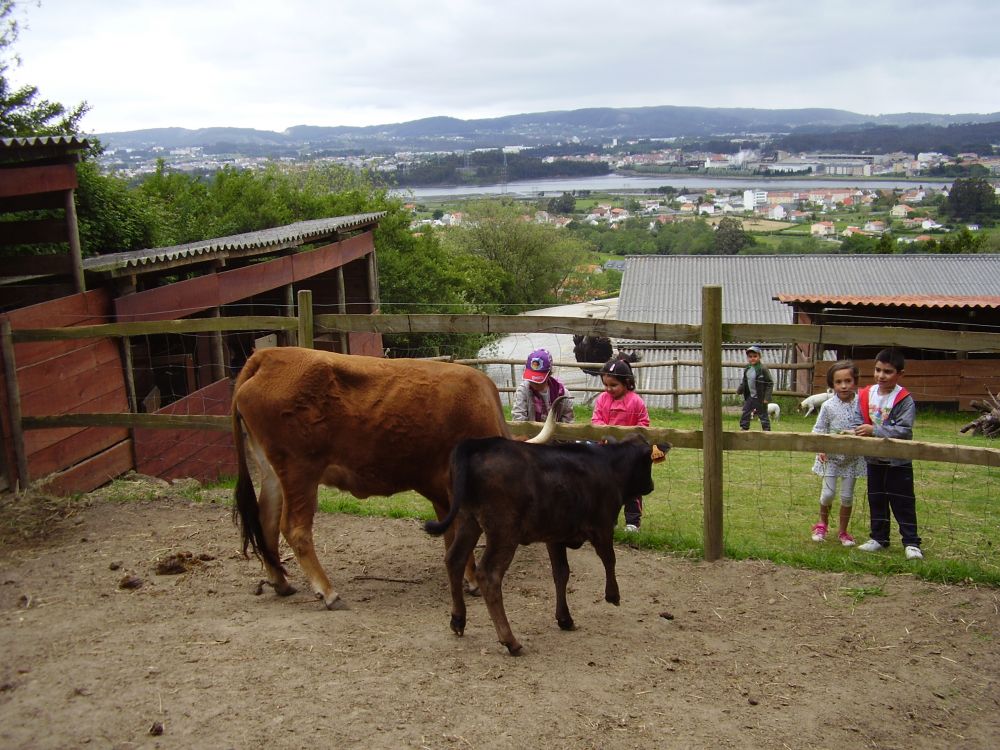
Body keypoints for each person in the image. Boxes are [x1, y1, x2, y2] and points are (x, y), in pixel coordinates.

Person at [853, 348, 923, 560]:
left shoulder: (904, 399)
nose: (881, 375)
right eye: (878, 370)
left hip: (897, 462)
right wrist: (856, 431)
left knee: (902, 501)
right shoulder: (865, 394)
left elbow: (904, 431)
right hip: (874, 459)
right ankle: (879, 538)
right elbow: (859, 420)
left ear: (899, 374)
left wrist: (874, 430)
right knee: (877, 498)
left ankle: (911, 542)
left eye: (888, 371)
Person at [809, 360, 865, 547]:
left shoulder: (862, 403)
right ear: (832, 384)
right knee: (827, 494)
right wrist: (821, 447)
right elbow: (818, 430)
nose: (843, 386)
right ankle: (822, 524)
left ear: (855, 381)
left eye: (848, 381)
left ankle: (843, 531)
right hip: (831, 458)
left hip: (853, 459)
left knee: (847, 497)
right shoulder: (828, 406)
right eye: (838, 382)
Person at [591, 357, 650, 532]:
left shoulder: (636, 401)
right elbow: (596, 419)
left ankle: (632, 522)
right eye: (605, 385)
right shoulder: (602, 400)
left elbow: (644, 424)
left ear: (627, 383)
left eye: (613, 385)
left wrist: (631, 440)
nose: (608, 389)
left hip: (629, 454)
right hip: (608, 453)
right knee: (609, 488)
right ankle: (610, 520)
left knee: (632, 487)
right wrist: (604, 435)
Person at [511, 348, 574, 424]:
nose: (534, 384)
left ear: (549, 374)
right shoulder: (523, 391)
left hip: (556, 433)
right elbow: (518, 418)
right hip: (529, 434)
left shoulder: (562, 394)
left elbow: (568, 422)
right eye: (531, 380)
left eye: (538, 382)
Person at [737, 345, 773, 431]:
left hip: (760, 397)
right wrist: (740, 389)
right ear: (747, 358)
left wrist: (766, 397)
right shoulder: (747, 368)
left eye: (755, 356)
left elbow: (770, 383)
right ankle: (744, 427)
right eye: (750, 357)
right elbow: (745, 381)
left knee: (762, 414)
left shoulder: (762, 369)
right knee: (746, 411)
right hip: (751, 396)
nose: (752, 358)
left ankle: (766, 430)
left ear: (759, 357)